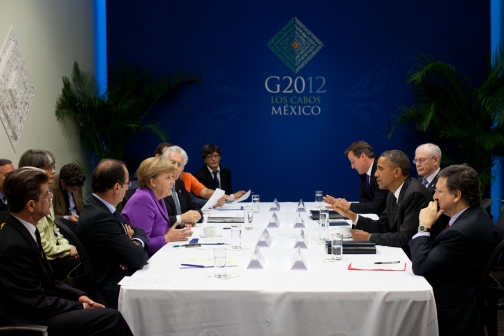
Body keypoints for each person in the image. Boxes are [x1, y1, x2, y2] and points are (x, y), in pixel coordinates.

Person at [0, 167, 133, 335]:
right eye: (46, 194)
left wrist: (78, 296)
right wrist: (80, 306)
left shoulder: (25, 230)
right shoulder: (14, 246)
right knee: (111, 318)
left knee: (104, 312)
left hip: (42, 309)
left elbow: (50, 281)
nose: (50, 197)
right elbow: (34, 303)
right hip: (31, 322)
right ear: (31, 205)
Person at [409, 165, 498, 336]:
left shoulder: (459, 232)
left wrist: (423, 227)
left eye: (439, 192)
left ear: (457, 195)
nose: (434, 197)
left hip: (452, 308)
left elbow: (421, 268)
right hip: (464, 294)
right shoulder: (476, 213)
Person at [328, 150, 433, 254]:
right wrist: (350, 214)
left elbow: (404, 239)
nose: (376, 174)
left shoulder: (415, 195)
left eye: (381, 169)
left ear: (397, 172)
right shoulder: (392, 192)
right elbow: (382, 226)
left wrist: (369, 237)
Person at [77, 159, 148, 309]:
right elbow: (138, 258)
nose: (128, 188)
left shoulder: (100, 207)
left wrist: (133, 243)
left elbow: (138, 230)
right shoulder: (100, 216)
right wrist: (130, 250)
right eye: (127, 184)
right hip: (111, 289)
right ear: (117, 187)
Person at [18, 149, 80, 281]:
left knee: (84, 257)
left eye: (53, 167)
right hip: (44, 259)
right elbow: (43, 246)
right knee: (84, 264)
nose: (53, 171)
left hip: (54, 252)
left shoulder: (46, 195)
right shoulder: (33, 201)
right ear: (33, 171)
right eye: (48, 168)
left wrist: (70, 247)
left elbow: (55, 231)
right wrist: (68, 251)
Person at [122, 157, 193, 256]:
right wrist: (168, 237)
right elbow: (142, 244)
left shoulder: (157, 197)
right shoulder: (143, 200)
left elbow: (160, 231)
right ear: (153, 182)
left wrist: (176, 233)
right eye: (168, 177)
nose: (173, 182)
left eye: (172, 177)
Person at [325, 141, 388, 215]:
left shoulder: (381, 171)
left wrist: (349, 206)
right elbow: (363, 200)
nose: (352, 167)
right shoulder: (364, 172)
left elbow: (378, 207)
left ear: (363, 157)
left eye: (353, 162)